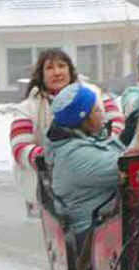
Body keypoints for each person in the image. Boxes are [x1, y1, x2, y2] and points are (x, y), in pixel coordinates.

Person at [45, 83, 126, 270]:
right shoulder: (76, 158)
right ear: (84, 119)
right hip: (94, 240)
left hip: (111, 228)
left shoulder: (87, 143)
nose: (103, 113)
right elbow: (129, 167)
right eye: (97, 109)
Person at [8, 48, 121, 217]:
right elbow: (20, 147)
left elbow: (117, 121)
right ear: (41, 74)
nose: (57, 72)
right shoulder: (28, 108)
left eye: (62, 66)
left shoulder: (93, 94)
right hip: (45, 189)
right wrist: (54, 159)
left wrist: (101, 147)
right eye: (50, 68)